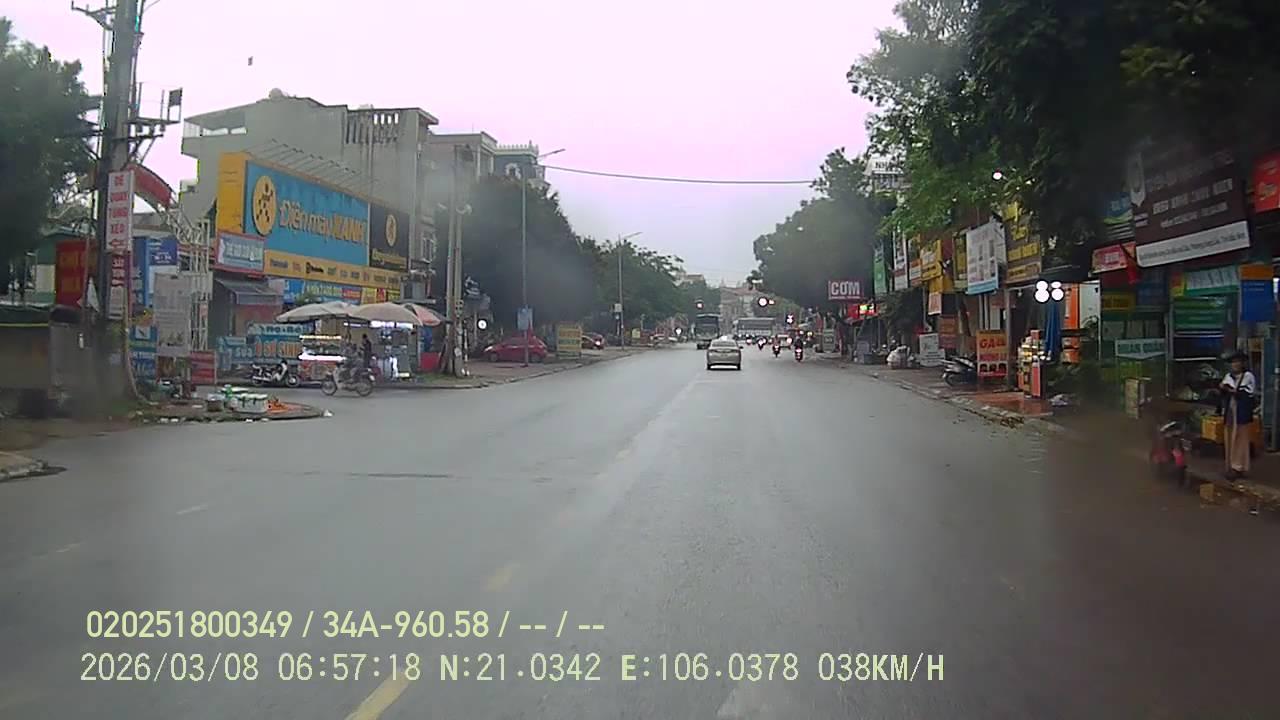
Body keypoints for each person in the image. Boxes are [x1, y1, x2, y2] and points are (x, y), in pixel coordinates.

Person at [1219, 350, 1256, 479]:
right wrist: (1223, 389)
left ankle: (1239, 467)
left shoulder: (1248, 376)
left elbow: (1247, 394)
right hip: (1230, 412)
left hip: (1241, 413)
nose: (1235, 364)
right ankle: (1229, 466)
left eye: (1238, 362)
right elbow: (1224, 393)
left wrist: (1231, 390)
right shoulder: (1228, 376)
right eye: (1233, 362)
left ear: (1242, 363)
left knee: (1241, 439)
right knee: (1229, 437)